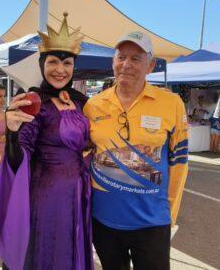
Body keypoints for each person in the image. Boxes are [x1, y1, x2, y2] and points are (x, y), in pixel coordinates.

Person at [0, 13, 93, 270]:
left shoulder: (82, 102)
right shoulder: (33, 101)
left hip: (78, 192)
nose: (60, 70)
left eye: (67, 63)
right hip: (45, 195)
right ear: (41, 64)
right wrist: (13, 134)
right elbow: (20, 154)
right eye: (53, 62)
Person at [84, 31, 188, 270]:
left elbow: (180, 163)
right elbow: (84, 154)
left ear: (150, 65)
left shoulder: (171, 104)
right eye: (121, 57)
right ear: (113, 62)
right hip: (104, 221)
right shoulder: (93, 105)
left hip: (152, 223)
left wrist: (170, 213)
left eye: (135, 58)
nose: (126, 65)